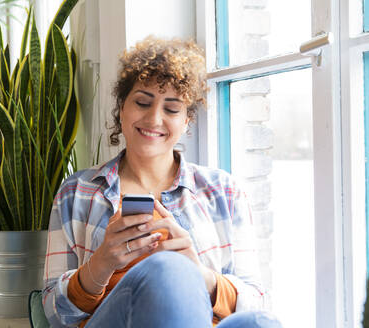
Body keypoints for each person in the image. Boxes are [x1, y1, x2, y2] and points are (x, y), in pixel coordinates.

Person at [41, 36, 282, 328]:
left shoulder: (224, 192)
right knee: (165, 271)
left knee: (260, 321)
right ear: (122, 109)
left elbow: (255, 298)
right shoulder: (76, 193)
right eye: (142, 102)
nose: (154, 119)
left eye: (171, 109)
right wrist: (101, 264)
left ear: (187, 121)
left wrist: (199, 275)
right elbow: (53, 313)